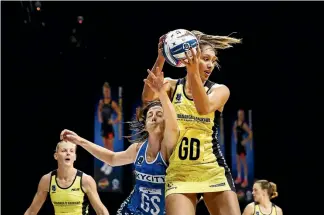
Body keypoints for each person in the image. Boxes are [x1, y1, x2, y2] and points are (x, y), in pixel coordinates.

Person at [142, 30, 242, 215]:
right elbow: (147, 97)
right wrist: (162, 56)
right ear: (189, 57)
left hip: (211, 168)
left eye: (213, 60)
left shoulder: (219, 90)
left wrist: (193, 72)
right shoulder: (173, 85)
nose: (210, 64)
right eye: (205, 58)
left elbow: (203, 108)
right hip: (180, 171)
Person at [61, 70, 179, 215]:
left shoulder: (169, 148)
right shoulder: (137, 149)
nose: (154, 117)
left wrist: (161, 92)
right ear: (145, 124)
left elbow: (174, 128)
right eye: (150, 115)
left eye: (159, 115)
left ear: (166, 121)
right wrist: (80, 141)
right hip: (132, 211)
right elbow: (112, 158)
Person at [24, 141, 109, 215]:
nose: (68, 153)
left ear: (75, 157)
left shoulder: (86, 180)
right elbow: (31, 211)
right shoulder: (47, 180)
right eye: (64, 150)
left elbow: (101, 211)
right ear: (56, 156)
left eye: (71, 151)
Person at [98, 82, 122, 175]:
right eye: (105, 91)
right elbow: (99, 110)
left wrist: (114, 121)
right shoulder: (101, 102)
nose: (107, 92)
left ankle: (111, 165)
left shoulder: (113, 103)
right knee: (105, 147)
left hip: (109, 128)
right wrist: (99, 116)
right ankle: (106, 163)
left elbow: (119, 114)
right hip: (103, 127)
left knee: (110, 147)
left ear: (110, 92)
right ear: (103, 92)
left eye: (108, 91)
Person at [233, 109, 253, 188]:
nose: (240, 116)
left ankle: (245, 180)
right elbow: (234, 129)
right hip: (238, 145)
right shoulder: (236, 122)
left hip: (242, 145)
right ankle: (239, 177)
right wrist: (235, 137)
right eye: (239, 114)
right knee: (238, 162)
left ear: (243, 115)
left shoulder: (244, 124)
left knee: (244, 163)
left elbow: (250, 133)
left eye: (241, 114)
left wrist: (245, 140)